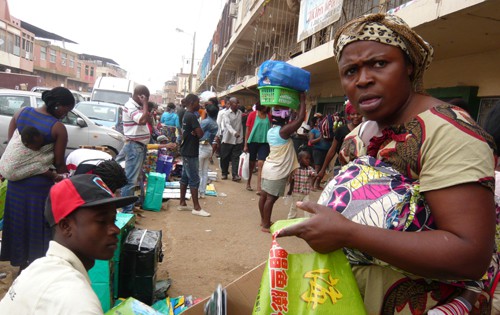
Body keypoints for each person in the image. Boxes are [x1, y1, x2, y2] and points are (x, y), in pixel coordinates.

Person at [277, 13, 497, 314]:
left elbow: (470, 256)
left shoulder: (448, 133)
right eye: (350, 71)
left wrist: (348, 234)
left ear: (409, 65)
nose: (363, 79)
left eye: (379, 63)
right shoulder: (359, 135)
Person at [0, 174, 138, 314]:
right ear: (66, 226)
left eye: (114, 220)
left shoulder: (38, 266)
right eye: (102, 221)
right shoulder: (77, 301)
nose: (116, 229)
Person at [0, 87, 74, 271]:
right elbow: (58, 163)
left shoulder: (21, 113)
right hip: (38, 188)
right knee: (37, 228)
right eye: (67, 109)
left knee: (18, 224)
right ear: (57, 106)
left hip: (16, 184)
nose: (66, 114)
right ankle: (35, 269)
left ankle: (20, 267)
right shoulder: (57, 128)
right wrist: (67, 179)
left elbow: (14, 146)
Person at [259, 93, 306, 232]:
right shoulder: (283, 131)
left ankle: (264, 221)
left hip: (269, 167)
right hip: (277, 171)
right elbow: (301, 119)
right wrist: (302, 100)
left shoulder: (271, 131)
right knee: (271, 199)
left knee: (263, 196)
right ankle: (266, 225)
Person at [114, 85, 151, 214]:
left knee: (133, 178)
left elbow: (146, 119)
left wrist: (144, 106)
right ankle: (127, 210)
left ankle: (129, 206)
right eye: (146, 98)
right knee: (130, 180)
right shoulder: (130, 106)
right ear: (141, 96)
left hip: (137, 145)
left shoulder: (137, 107)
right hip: (134, 145)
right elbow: (141, 120)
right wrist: (145, 104)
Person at [177, 94, 210, 217]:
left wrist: (195, 132)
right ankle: (196, 207)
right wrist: (197, 132)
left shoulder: (186, 115)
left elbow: (196, 133)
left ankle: (182, 203)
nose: (199, 105)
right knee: (194, 179)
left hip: (187, 149)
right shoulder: (192, 116)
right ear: (192, 103)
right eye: (197, 102)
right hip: (190, 151)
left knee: (185, 177)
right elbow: (201, 134)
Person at [317, 100, 362, 182]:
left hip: (359, 167)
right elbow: (332, 150)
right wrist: (323, 169)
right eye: (352, 114)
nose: (356, 116)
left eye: (358, 114)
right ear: (349, 115)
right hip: (341, 166)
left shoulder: (365, 130)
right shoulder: (341, 130)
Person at [244, 102, 271, 194]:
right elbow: (247, 130)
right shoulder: (252, 114)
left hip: (264, 142)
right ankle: (248, 182)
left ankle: (259, 187)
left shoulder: (269, 116)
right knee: (251, 164)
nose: (267, 107)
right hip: (252, 142)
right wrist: (245, 144)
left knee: (261, 163)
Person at [219, 97, 244, 181]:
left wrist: (239, 135)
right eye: (235, 103)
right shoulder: (226, 114)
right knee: (225, 157)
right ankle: (224, 173)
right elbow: (227, 125)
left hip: (238, 139)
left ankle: (235, 175)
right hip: (228, 139)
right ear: (230, 104)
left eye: (238, 103)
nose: (237, 105)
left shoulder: (240, 112)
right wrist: (234, 133)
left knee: (235, 157)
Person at [286, 150, 316, 219]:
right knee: (294, 207)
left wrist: (314, 175)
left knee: (307, 208)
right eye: (306, 158)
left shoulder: (309, 169)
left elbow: (314, 174)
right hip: (296, 192)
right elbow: (292, 181)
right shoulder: (295, 169)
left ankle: (308, 220)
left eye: (309, 158)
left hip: (306, 193)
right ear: (299, 159)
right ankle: (290, 220)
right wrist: (290, 191)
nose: (308, 160)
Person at [198, 103, 219, 199]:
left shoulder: (206, 122)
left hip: (202, 147)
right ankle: (202, 192)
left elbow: (198, 133)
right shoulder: (215, 124)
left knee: (199, 171)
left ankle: (198, 192)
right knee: (205, 171)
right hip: (208, 147)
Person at [308, 115, 331, 190]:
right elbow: (311, 141)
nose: (321, 122)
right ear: (315, 123)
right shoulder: (313, 131)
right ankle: (311, 185)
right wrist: (320, 138)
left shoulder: (325, 130)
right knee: (317, 168)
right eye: (319, 121)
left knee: (323, 168)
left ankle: (317, 184)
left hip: (326, 150)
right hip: (317, 150)